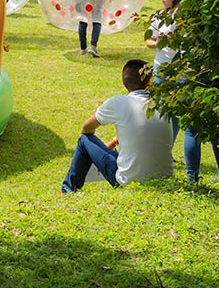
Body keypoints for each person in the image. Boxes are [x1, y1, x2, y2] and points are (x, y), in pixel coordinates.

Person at [147, 0, 219, 184]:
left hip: (185, 73)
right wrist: (158, 41)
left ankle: (193, 177)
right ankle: (165, 158)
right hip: (162, 70)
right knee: (167, 118)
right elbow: (149, 40)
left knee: (190, 126)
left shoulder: (189, 19)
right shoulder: (159, 16)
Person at [60, 59, 173, 193]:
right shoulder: (163, 104)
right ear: (149, 81)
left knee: (84, 140)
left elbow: (86, 128)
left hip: (128, 181)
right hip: (165, 178)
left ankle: (67, 189)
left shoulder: (118, 102)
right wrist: (114, 141)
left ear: (124, 82)